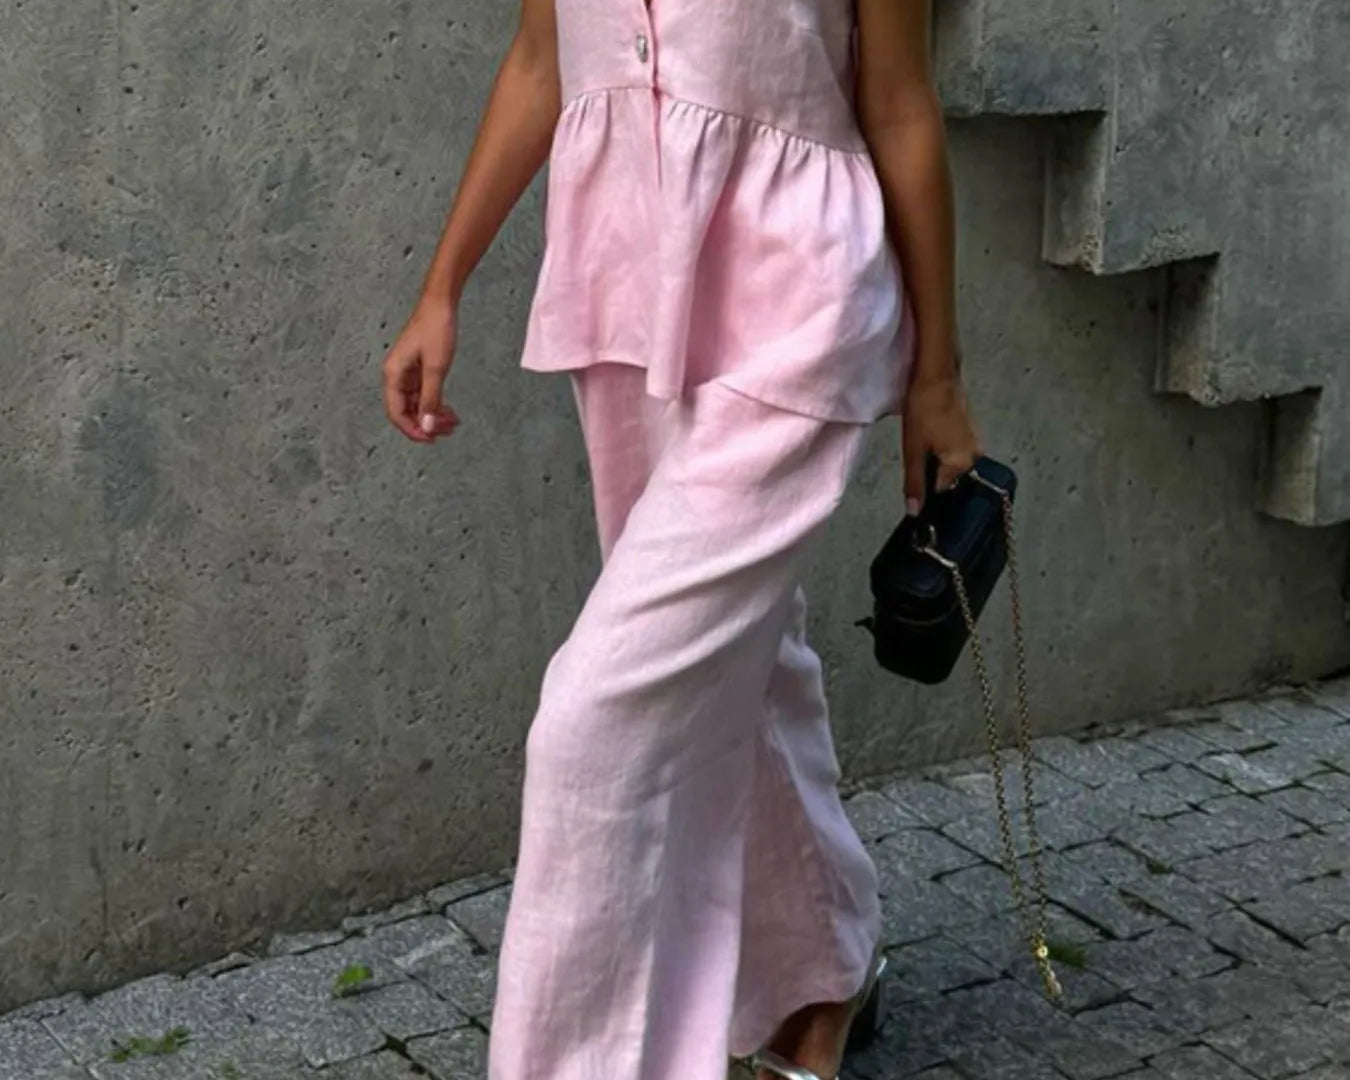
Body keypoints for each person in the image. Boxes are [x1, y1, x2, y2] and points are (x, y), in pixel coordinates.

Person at [381, 0, 981, 1077]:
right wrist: (441, 289)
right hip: (624, 291)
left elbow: (898, 105)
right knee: (740, 664)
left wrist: (936, 376)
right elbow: (536, 64)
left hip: (801, 307)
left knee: (593, 721)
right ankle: (827, 972)